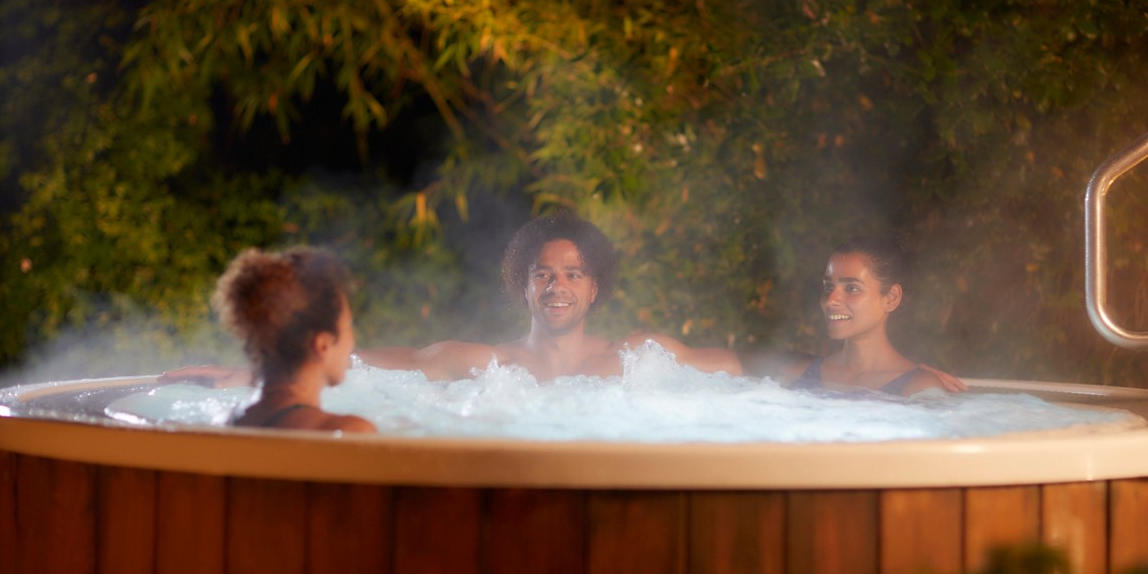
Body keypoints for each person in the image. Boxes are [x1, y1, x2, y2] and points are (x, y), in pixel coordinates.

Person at [361, 212, 743, 380]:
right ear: (524, 287)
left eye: (573, 275)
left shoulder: (636, 360)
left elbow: (738, 368)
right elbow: (395, 365)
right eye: (542, 274)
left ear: (594, 288)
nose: (556, 287)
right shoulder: (492, 366)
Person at [210, 246, 376, 432]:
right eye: (348, 325)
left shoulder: (224, 422)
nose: (353, 340)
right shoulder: (348, 431)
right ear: (322, 345)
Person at [769, 234, 956, 396]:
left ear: (891, 298)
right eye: (828, 286)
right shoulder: (797, 376)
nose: (830, 300)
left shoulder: (917, 388)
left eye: (852, 288)